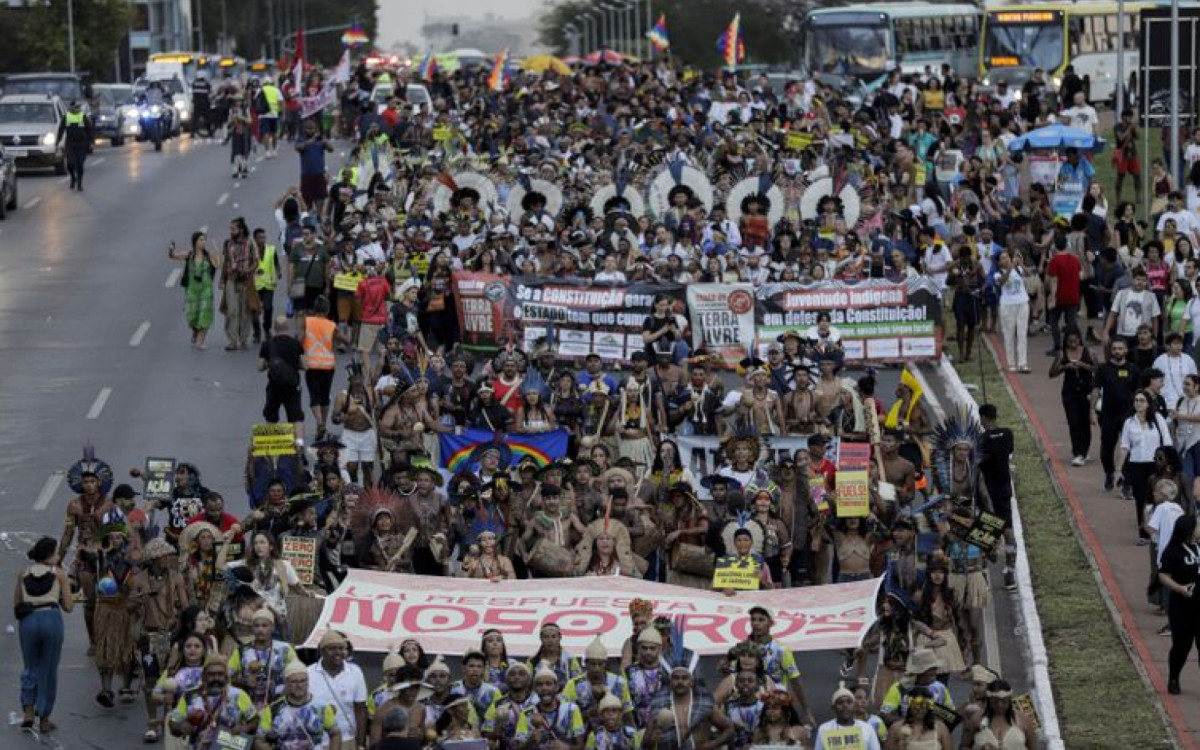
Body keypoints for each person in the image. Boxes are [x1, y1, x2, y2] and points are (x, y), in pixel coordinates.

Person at [15, 536, 73, 733]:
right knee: (48, 669)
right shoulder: (59, 574)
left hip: (29, 621)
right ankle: (45, 717)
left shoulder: (23, 573)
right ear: (50, 555)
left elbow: (17, 604)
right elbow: (69, 606)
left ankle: (28, 711)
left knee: (30, 666)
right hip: (51, 619)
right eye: (57, 553)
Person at [1115, 389, 1172, 544]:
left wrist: (1167, 464)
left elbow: (1167, 442)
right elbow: (1125, 447)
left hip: (1155, 465)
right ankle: (1143, 534)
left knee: (1158, 497)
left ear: (1148, 404)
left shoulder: (1158, 419)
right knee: (1141, 499)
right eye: (1136, 400)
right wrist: (1118, 469)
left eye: (1142, 400)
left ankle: (1160, 531)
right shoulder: (1129, 422)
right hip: (1136, 465)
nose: (1138, 403)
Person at [255, 661, 342, 750]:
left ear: (308, 682)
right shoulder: (273, 709)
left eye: (303, 680)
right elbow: (258, 740)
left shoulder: (321, 706)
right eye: (294, 682)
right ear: (286, 683)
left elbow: (335, 734)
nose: (299, 685)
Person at [1158, 515, 1200, 694]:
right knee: (1181, 646)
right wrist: (1179, 588)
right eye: (1197, 526)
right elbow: (1163, 575)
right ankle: (1173, 678)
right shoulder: (1173, 551)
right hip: (1181, 606)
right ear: (1188, 530)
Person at [308, 630, 368, 750]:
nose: (338, 652)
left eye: (341, 648)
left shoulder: (355, 672)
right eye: (332, 648)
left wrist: (361, 744)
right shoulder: (308, 673)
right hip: (317, 743)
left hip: (348, 740)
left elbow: (360, 710)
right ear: (322, 651)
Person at [168, 231, 220, 349]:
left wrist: (217, 251)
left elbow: (218, 265)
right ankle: (195, 330)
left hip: (206, 289)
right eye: (200, 240)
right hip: (192, 290)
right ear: (195, 242)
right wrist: (171, 250)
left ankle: (200, 341)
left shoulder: (208, 256)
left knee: (205, 314)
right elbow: (173, 256)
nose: (203, 242)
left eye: (204, 240)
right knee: (192, 315)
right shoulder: (189, 255)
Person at [258, 315, 305, 440]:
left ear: (274, 328)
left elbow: (260, 367)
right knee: (296, 417)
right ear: (287, 327)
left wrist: (271, 364)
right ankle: (299, 443)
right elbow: (304, 365)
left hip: (274, 385)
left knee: (271, 416)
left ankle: (270, 443)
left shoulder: (267, 344)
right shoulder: (296, 343)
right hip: (292, 385)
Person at [221, 217, 262, 351]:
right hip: (231, 279)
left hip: (245, 281)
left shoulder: (250, 243)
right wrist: (222, 280)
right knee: (232, 310)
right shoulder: (227, 243)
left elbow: (256, 262)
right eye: (230, 229)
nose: (231, 231)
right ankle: (233, 340)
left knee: (245, 311)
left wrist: (247, 270)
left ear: (241, 230)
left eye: (233, 229)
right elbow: (225, 262)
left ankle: (243, 337)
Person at [812, 685, 881, 750]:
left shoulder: (867, 728)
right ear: (833, 708)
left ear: (854, 706)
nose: (845, 705)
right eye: (840, 703)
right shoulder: (824, 729)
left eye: (849, 702)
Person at [56, 99, 92, 191]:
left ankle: (79, 184)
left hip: (81, 144)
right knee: (70, 164)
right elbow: (61, 129)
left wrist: (90, 143)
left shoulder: (82, 116)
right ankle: (73, 177)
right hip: (70, 143)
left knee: (80, 165)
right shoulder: (66, 117)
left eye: (78, 107)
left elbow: (89, 130)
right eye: (75, 107)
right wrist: (58, 141)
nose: (77, 109)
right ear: (71, 108)